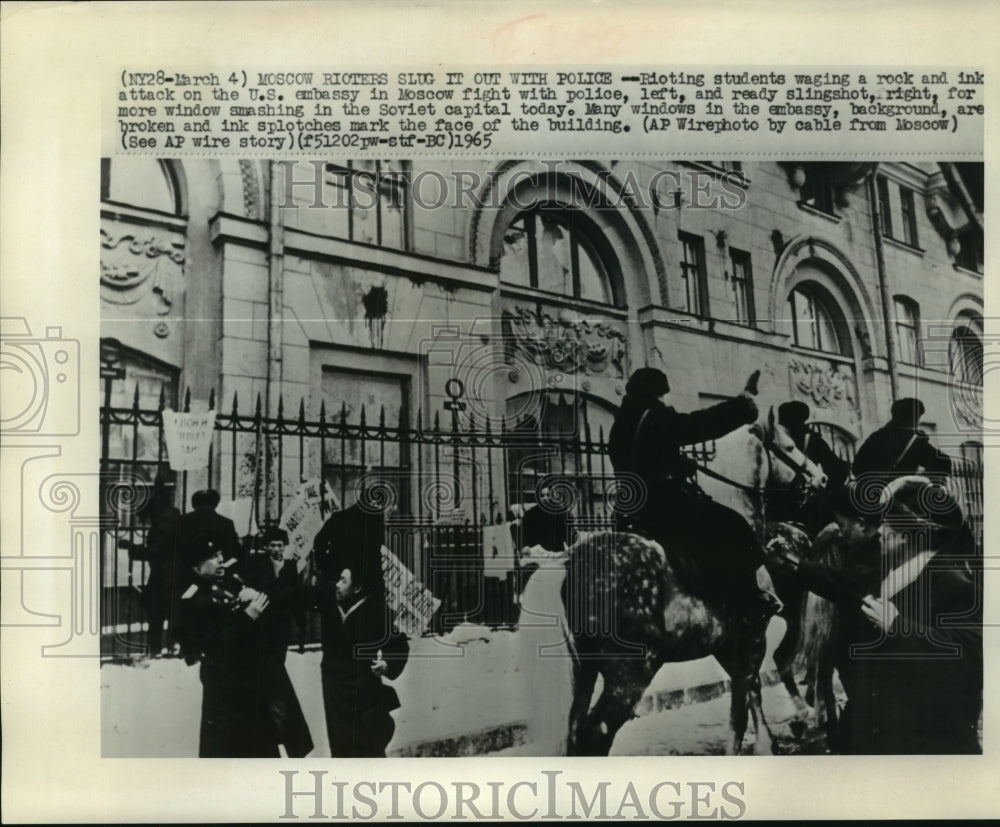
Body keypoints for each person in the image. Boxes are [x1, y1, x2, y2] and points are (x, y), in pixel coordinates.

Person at [607, 366, 779, 624]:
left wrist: (676, 463)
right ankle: (748, 603)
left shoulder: (621, 423)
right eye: (663, 394)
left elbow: (642, 462)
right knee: (734, 525)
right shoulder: (654, 416)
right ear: (656, 394)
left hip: (629, 507)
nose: (665, 400)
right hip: (663, 506)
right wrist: (742, 406)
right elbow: (697, 425)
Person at [174, 534, 280, 757]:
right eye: (212, 557)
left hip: (250, 679)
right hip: (224, 685)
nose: (221, 559)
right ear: (196, 566)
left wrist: (252, 600)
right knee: (227, 749)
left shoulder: (231, 583)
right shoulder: (194, 599)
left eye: (220, 554)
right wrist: (247, 615)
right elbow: (215, 644)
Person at [311, 554, 409, 757]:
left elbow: (398, 644)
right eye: (338, 579)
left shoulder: (376, 612)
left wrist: (387, 663)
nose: (337, 585)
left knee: (368, 743)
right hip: (334, 689)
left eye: (343, 581)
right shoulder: (330, 604)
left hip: (363, 688)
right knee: (339, 743)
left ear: (357, 588)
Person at [241, 525, 313, 758]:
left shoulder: (291, 567)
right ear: (265, 547)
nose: (276, 550)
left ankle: (275, 716)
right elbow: (257, 589)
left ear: (285, 547)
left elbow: (297, 597)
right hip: (262, 625)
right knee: (268, 670)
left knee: (278, 668)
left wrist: (301, 624)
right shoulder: (257, 565)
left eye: (280, 546)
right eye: (272, 546)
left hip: (281, 626)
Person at [121, 468, 181, 655]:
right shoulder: (174, 516)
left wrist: (131, 547)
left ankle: (156, 650)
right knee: (174, 614)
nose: (146, 523)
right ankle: (173, 647)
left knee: (157, 615)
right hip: (176, 574)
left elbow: (156, 552)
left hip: (162, 575)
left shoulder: (163, 521)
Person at [768, 401, 850, 534]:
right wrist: (827, 493)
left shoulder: (778, 441)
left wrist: (824, 492)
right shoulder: (813, 440)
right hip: (805, 508)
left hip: (781, 507)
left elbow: (840, 469)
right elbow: (840, 469)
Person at [852, 398, 952, 487]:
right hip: (900, 495)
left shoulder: (876, 436)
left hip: (870, 496)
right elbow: (943, 462)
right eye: (918, 418)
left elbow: (857, 467)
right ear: (913, 419)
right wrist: (921, 478)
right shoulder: (914, 440)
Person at [176, 489, 245, 570]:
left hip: (185, 568)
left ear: (193, 504)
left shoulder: (181, 521)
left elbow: (171, 547)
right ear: (216, 504)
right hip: (215, 569)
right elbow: (234, 551)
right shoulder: (226, 523)